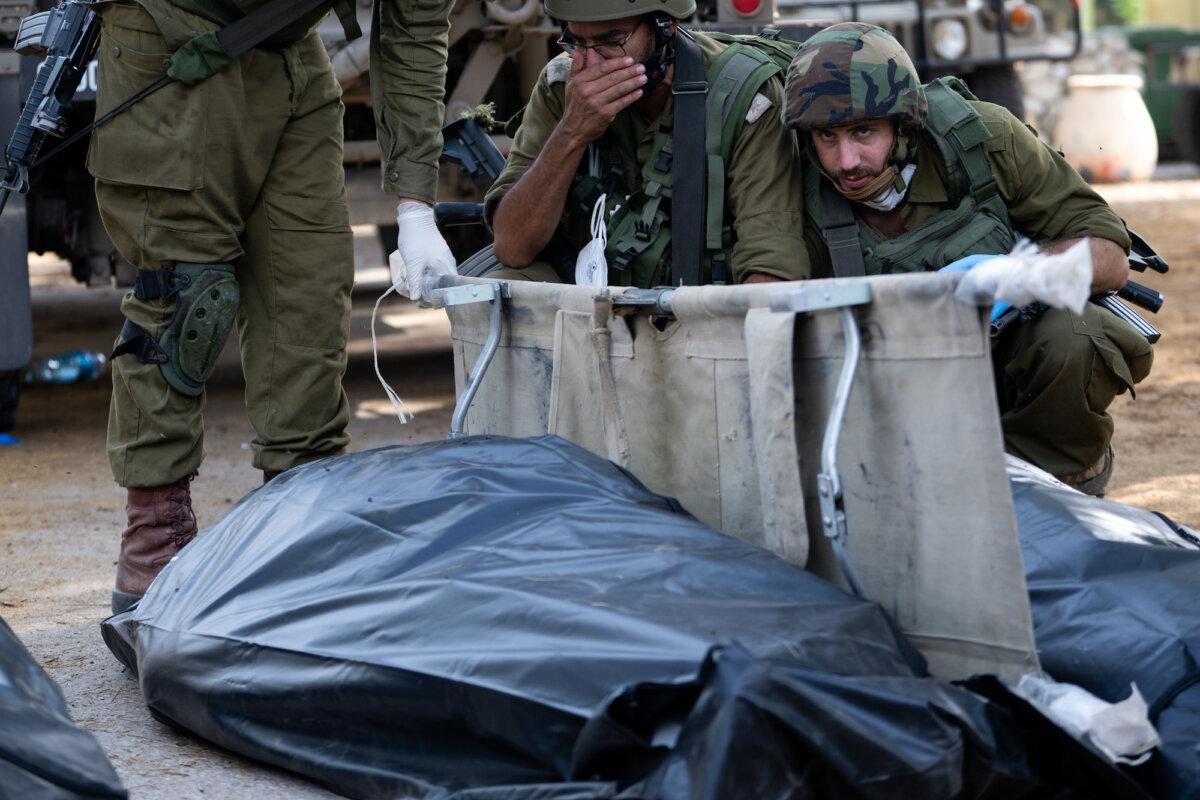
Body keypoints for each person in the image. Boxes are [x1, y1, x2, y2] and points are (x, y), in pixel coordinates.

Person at [93, 0, 456, 614]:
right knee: (186, 300)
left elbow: (414, 24)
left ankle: (295, 524)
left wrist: (416, 206)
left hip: (289, 49)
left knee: (307, 296)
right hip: (173, 37)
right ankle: (154, 537)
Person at [782, 22, 1153, 495]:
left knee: (1074, 336)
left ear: (904, 124)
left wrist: (1017, 274)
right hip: (881, 382)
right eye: (827, 138)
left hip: (1004, 361)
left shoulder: (983, 138)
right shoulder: (794, 185)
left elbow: (1109, 255)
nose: (847, 160)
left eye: (863, 132)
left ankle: (1056, 489)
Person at [484, 0, 806, 288]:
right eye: (577, 42)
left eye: (611, 41)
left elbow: (770, 268)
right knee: (496, 290)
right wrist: (572, 132)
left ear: (667, 27)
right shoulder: (563, 85)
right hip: (595, 293)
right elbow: (512, 245)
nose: (590, 65)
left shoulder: (745, 97)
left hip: (706, 303)